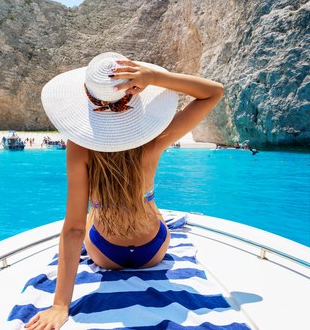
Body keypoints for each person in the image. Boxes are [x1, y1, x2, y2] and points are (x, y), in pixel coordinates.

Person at [26, 52, 224, 330]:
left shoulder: (79, 148)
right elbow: (213, 93)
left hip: (106, 254)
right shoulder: (156, 138)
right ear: (135, 95)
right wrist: (157, 77)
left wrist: (60, 306)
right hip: (152, 249)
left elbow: (73, 230)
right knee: (147, 204)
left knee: (92, 213)